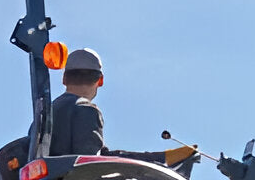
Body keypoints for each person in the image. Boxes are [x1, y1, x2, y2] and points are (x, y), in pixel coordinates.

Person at [50, 47, 195, 166]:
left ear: (64, 79)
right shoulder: (86, 110)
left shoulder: (46, 113)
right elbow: (90, 164)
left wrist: (162, 158)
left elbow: (106, 156)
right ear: (100, 80)